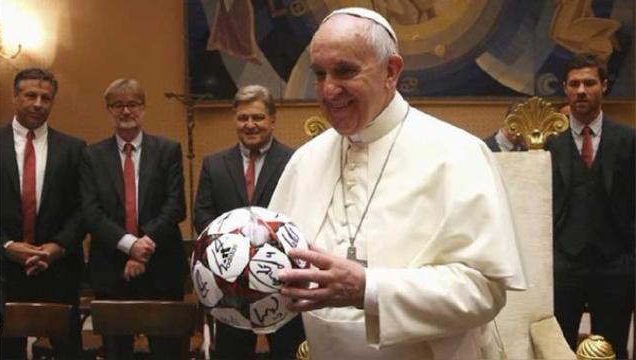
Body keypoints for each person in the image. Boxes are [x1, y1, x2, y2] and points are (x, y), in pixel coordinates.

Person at [269, 8, 527, 359]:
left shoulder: (457, 154)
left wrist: (369, 288)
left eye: (344, 71)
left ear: (391, 71)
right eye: (319, 73)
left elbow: (484, 291)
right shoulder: (305, 161)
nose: (328, 90)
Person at [80, 79, 187, 360]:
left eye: (133, 104)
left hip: (162, 268)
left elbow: (176, 206)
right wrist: (129, 245)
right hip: (111, 273)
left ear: (144, 108)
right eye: (118, 105)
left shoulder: (168, 150)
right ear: (108, 110)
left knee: (168, 352)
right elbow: (91, 213)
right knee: (116, 352)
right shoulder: (91, 156)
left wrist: (144, 246)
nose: (126, 111)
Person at [194, 84, 303, 359]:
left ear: (273, 120)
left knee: (287, 353)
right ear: (235, 119)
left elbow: (302, 214)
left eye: (258, 117)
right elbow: (202, 216)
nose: (250, 125)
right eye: (243, 118)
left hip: (281, 284)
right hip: (230, 287)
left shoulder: (295, 162)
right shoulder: (214, 164)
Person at [546, 53, 634, 358]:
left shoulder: (628, 139)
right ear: (566, 89)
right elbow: (497, 153)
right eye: (574, 84)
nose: (581, 90)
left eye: (589, 83)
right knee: (556, 349)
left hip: (615, 265)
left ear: (604, 86)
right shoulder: (546, 139)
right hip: (561, 265)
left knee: (614, 349)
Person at [0, 68, 86, 359]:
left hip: (58, 270)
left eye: (45, 98)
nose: (38, 103)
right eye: (30, 95)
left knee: (67, 352)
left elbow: (83, 208)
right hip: (3, 270)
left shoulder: (73, 149)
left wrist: (57, 247)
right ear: (15, 97)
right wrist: (8, 246)